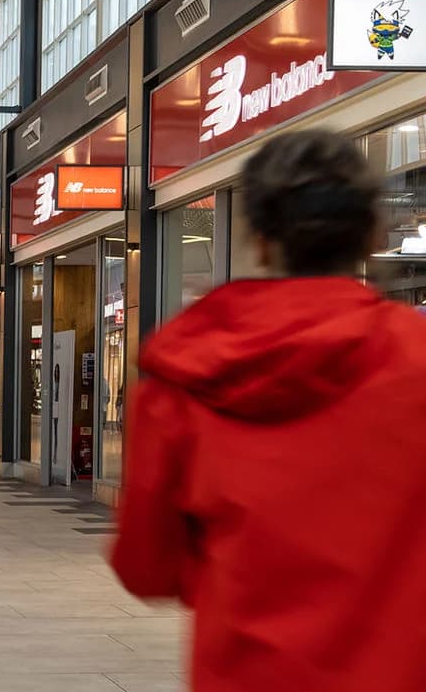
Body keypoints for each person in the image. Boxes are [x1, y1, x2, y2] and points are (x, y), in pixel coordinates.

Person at [110, 130, 426, 692]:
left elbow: (146, 567)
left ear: (258, 238)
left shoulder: (186, 376)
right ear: (372, 234)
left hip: (245, 671)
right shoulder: (414, 361)